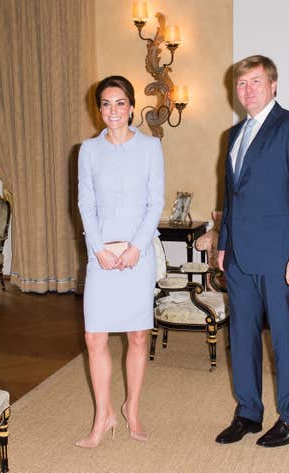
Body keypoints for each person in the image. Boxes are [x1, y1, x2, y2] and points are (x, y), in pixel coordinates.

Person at [215, 55, 289, 448]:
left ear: (273, 85)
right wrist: (223, 244)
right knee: (241, 337)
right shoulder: (233, 135)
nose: (248, 90)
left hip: (280, 257)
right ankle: (248, 413)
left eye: (256, 82)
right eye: (242, 83)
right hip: (240, 258)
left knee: (284, 340)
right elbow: (231, 197)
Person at [76, 75, 164, 448]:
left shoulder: (150, 148)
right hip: (101, 257)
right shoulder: (88, 150)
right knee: (95, 336)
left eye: (120, 103)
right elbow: (86, 203)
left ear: (131, 107)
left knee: (138, 335)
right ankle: (103, 415)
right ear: (100, 110)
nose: (113, 111)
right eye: (106, 104)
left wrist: (136, 248)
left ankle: (133, 408)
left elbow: (155, 202)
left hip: (136, 256)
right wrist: (97, 248)